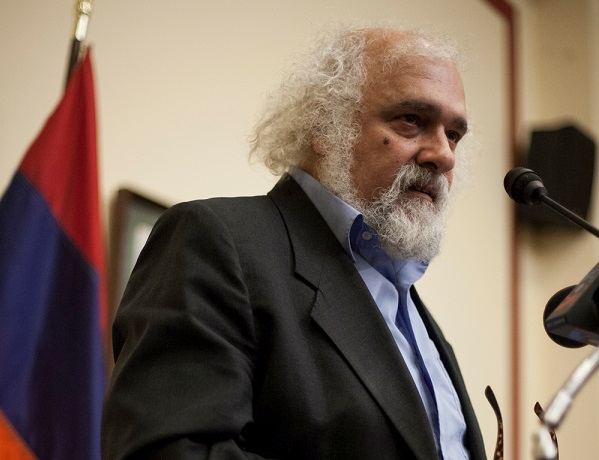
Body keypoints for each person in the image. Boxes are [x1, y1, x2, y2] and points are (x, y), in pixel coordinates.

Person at [101, 24, 487, 460]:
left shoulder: (410, 306)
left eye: (454, 135)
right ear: (325, 125)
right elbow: (171, 452)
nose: (444, 155)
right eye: (411, 120)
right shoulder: (215, 242)